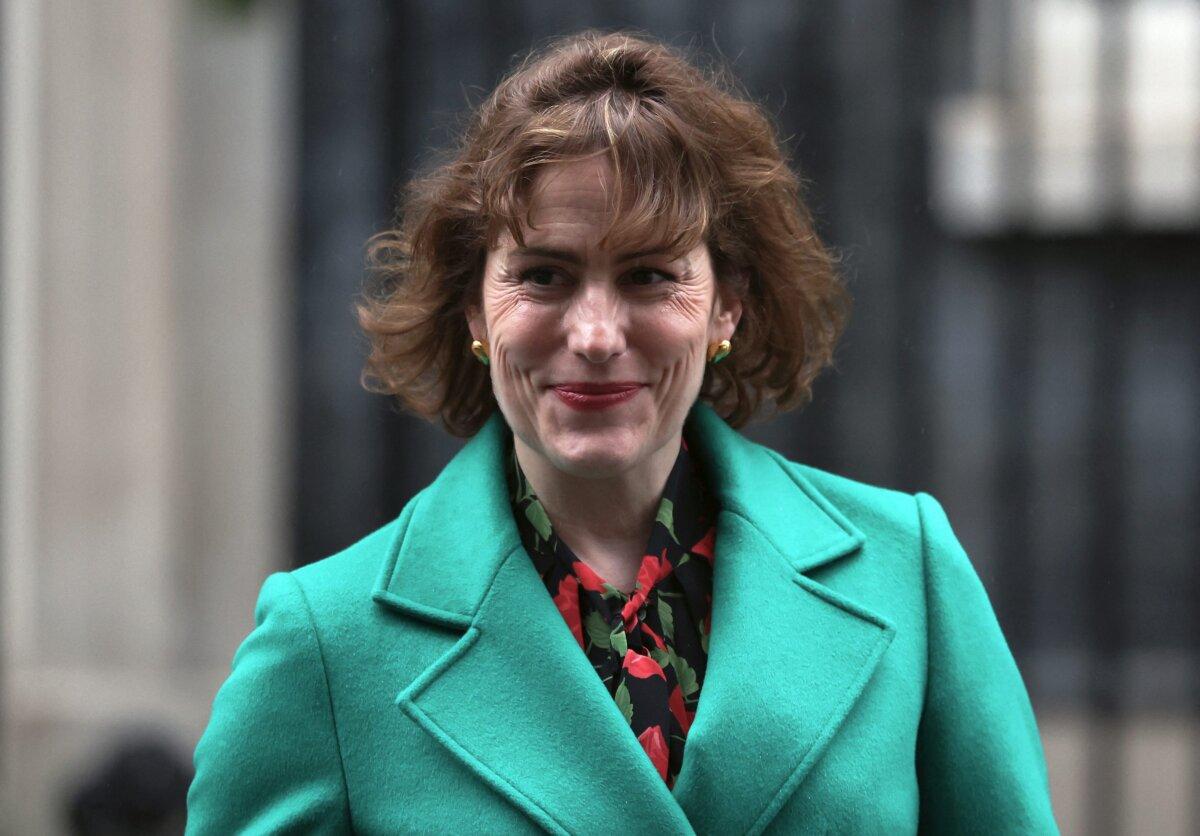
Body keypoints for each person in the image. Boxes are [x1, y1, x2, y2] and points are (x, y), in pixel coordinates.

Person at [186, 29, 1059, 835]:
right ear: (473, 308)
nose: (597, 334)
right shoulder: (327, 643)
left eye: (648, 275)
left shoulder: (904, 574)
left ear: (728, 303)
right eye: (544, 275)